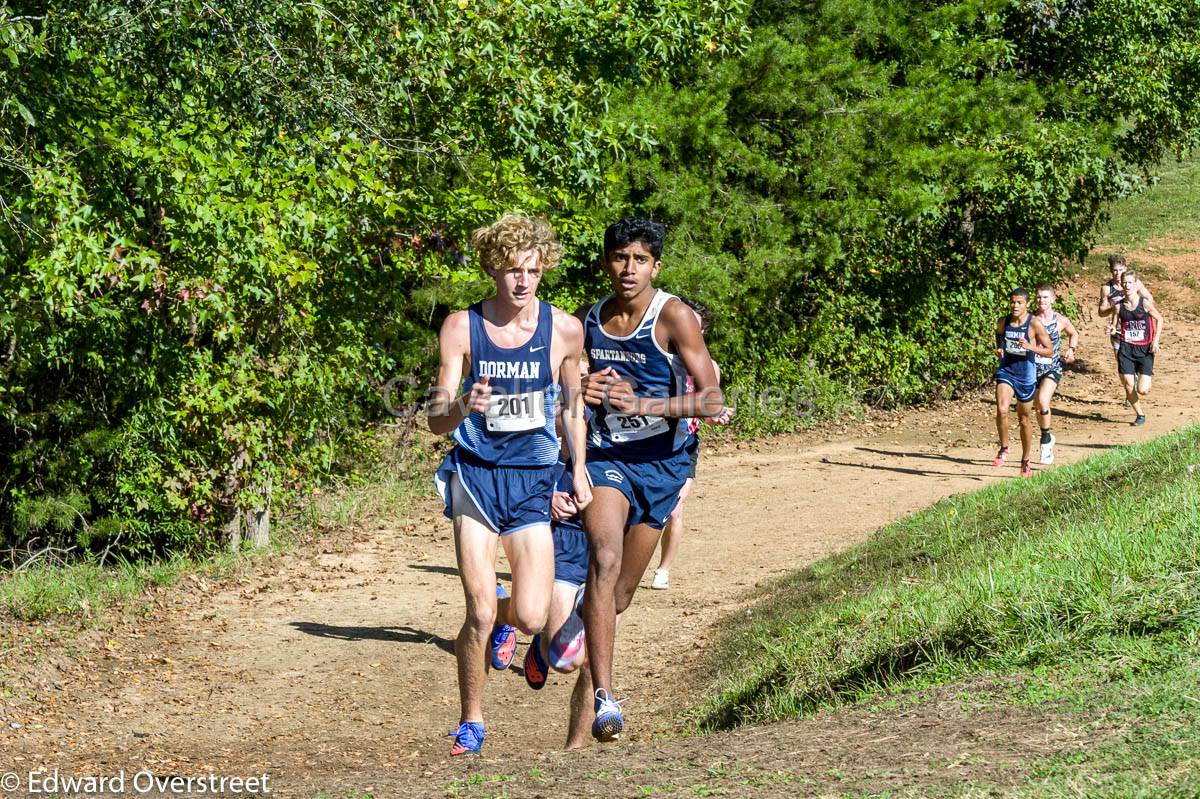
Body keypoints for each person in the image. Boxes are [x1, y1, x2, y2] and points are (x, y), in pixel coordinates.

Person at [426, 214, 590, 757]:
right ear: (492, 269)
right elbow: (435, 418)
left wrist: (581, 471)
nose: (522, 281)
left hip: (532, 481)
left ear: (544, 270)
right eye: (511, 270)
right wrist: (459, 405)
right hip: (474, 476)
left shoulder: (564, 330)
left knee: (531, 618)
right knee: (476, 612)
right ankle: (470, 721)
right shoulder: (460, 326)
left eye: (532, 271)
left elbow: (572, 408)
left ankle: (505, 609)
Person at [578, 217, 723, 742]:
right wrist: (579, 383)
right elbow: (559, 382)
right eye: (619, 257)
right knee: (603, 556)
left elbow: (712, 399)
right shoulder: (589, 320)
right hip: (606, 456)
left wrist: (645, 404)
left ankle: (576, 626)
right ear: (606, 263)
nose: (628, 268)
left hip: (663, 466)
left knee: (616, 598)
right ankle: (605, 697)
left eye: (639, 259)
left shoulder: (675, 317)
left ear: (655, 267)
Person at [651, 297, 733, 591]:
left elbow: (708, 413)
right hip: (652, 442)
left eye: (695, 328)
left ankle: (663, 569)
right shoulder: (658, 359)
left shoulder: (709, 366)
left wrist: (717, 416)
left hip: (685, 443)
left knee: (673, 510)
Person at [992, 288, 1054, 477]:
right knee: (1002, 409)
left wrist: (1030, 347)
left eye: (1019, 302)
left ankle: (1025, 460)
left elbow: (1050, 350)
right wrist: (1000, 349)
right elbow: (999, 337)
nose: (1015, 306)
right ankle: (1004, 448)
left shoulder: (1034, 324)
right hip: (1007, 370)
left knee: (1024, 419)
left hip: (1026, 375)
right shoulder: (1003, 321)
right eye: (1012, 302)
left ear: (1027, 304)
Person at [1107, 270, 1163, 426]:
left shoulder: (1144, 303)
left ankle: (1143, 375)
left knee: (1143, 390)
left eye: (1130, 282)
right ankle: (1140, 414)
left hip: (1145, 350)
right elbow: (1113, 325)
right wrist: (1111, 329)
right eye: (1124, 283)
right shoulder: (1118, 306)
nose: (1127, 285)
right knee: (1128, 384)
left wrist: (1156, 340)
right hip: (1126, 349)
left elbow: (1159, 319)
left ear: (1135, 284)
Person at [1031, 284, 1079, 465]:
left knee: (1043, 401)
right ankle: (1048, 435)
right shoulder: (1030, 320)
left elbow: (1074, 333)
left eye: (1045, 297)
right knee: (1037, 406)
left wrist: (1071, 350)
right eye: (1038, 297)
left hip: (1052, 367)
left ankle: (1044, 442)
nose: (1041, 301)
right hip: (1032, 368)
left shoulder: (1060, 320)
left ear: (1053, 299)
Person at [1097, 254, 1153, 404]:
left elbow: (1150, 299)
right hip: (1118, 332)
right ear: (1110, 271)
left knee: (1135, 366)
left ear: (1125, 268)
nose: (1118, 273)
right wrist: (1116, 307)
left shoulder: (1134, 283)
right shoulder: (1107, 288)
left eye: (1120, 269)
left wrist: (1138, 307)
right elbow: (1101, 312)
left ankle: (1139, 380)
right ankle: (1129, 392)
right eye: (1115, 270)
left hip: (1137, 332)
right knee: (1123, 367)